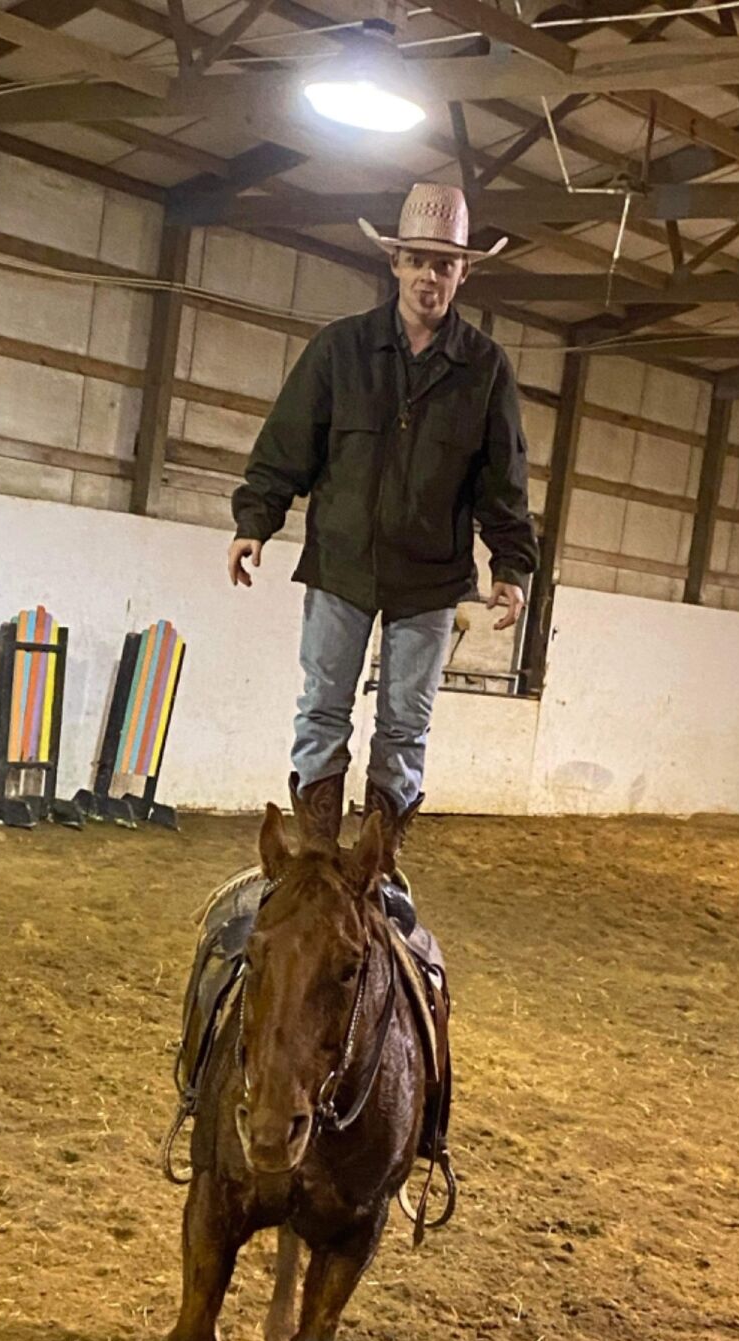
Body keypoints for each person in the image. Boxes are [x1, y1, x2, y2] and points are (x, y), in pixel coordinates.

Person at [227, 183, 539, 859]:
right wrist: (255, 520)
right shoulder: (339, 349)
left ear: (463, 273)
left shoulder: (485, 369)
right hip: (341, 564)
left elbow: (503, 479)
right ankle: (317, 854)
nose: (430, 276)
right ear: (395, 263)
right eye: (417, 260)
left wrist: (512, 564)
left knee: (405, 726)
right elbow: (288, 444)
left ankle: (379, 862)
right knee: (322, 710)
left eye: (444, 264)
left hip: (430, 579)